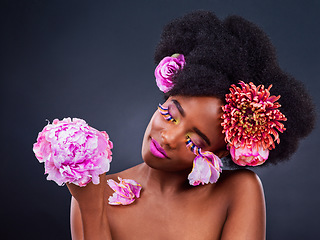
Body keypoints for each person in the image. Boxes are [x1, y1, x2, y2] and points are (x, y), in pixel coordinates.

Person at [66, 11, 315, 239]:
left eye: (194, 141)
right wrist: (89, 208)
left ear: (217, 154)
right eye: (170, 115)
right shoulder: (92, 193)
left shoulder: (239, 191)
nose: (168, 138)